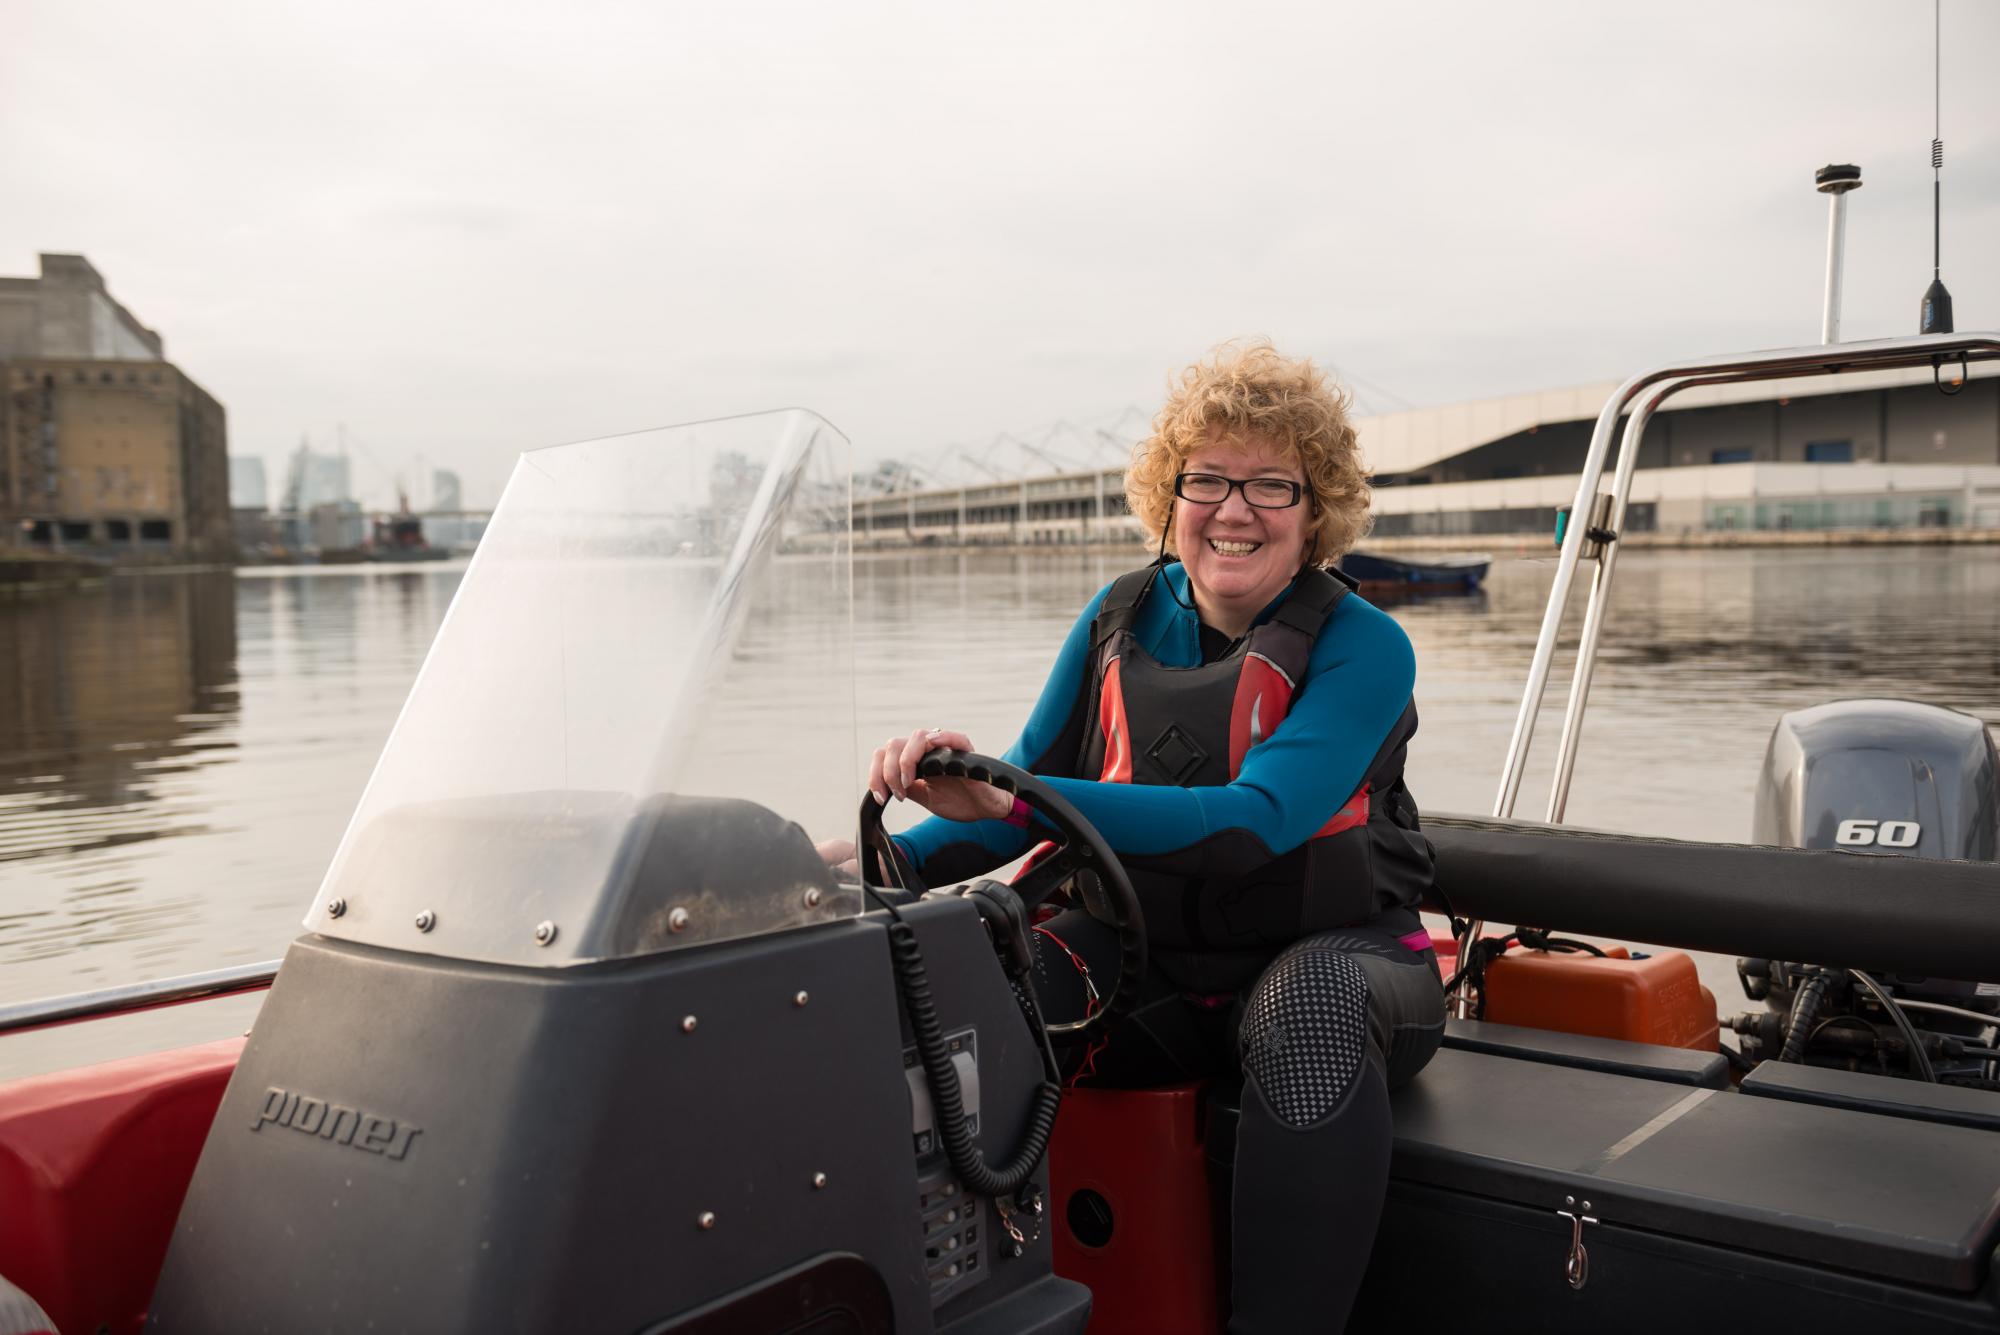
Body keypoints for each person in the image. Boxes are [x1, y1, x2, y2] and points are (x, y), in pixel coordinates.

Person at [832, 341, 1443, 1332]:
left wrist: (1010, 795)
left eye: (1271, 484)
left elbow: (1257, 823)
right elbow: (1005, 817)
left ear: (1315, 508)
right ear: (1169, 493)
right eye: (1206, 478)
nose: (1234, 508)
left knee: (1309, 1009)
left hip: (1345, 958)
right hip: (1149, 965)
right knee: (969, 978)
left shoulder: (1365, 645)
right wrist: (860, 864)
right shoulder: (1116, 616)